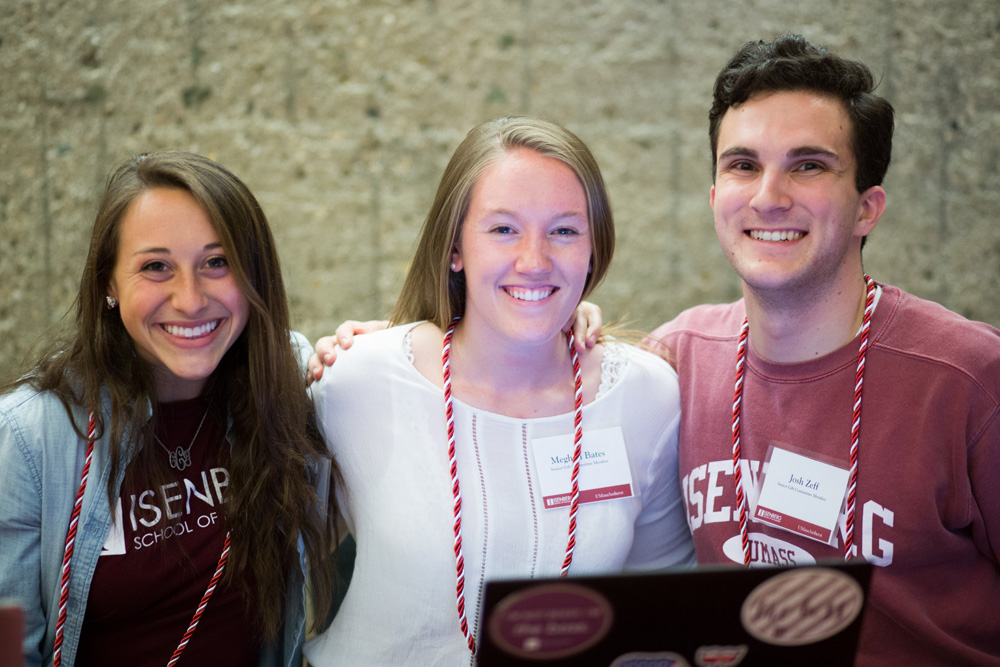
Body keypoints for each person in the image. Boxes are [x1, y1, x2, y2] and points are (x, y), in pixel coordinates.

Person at [303, 116, 695, 666]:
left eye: (564, 231)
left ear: (593, 249)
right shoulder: (357, 382)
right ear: (455, 248)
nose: (534, 261)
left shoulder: (647, 398)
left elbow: (661, 615)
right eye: (504, 229)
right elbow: (272, 568)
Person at [0, 151, 338, 666]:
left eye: (217, 262)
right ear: (109, 283)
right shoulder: (29, 437)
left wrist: (383, 349)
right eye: (156, 266)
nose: (190, 299)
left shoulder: (284, 382)